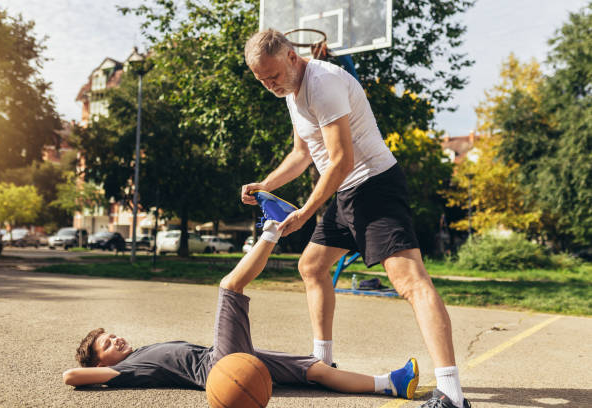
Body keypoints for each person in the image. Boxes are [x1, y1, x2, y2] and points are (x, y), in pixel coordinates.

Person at [241, 29, 471, 408]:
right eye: (262, 80)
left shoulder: (324, 82)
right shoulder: (290, 92)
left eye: (273, 76)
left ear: (292, 58)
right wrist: (266, 183)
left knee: (411, 283)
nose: (269, 85)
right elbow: (303, 152)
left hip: (375, 186)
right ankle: (323, 364)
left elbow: (341, 159)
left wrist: (304, 212)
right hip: (347, 191)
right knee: (312, 266)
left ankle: (452, 394)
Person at [62, 221, 419, 400]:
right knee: (229, 287)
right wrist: (96, 371)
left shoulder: (137, 355)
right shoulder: (123, 372)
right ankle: (271, 230)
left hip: (230, 358)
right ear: (100, 364)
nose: (116, 339)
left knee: (316, 370)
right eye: (107, 344)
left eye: (112, 335)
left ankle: (391, 384)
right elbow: (70, 377)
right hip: (221, 367)